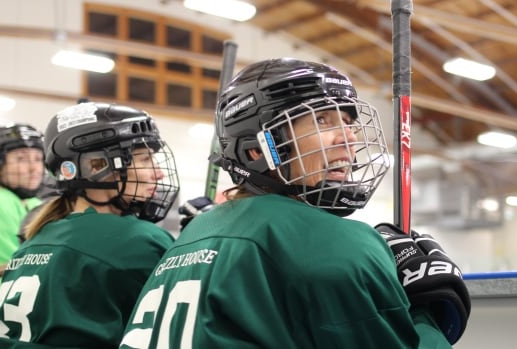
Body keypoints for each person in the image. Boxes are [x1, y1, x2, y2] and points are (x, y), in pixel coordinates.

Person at [119, 58, 470, 348]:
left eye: (348, 123)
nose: (348, 138)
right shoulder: (334, 240)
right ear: (258, 149)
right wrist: (426, 315)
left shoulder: (196, 230)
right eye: (322, 120)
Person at [0, 102, 180, 349]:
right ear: (96, 166)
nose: (158, 173)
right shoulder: (137, 240)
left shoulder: (35, 240)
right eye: (146, 159)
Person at [0, 124, 45, 280]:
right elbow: (1, 277)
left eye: (38, 159)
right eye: (22, 159)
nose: (34, 168)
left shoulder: (35, 203)